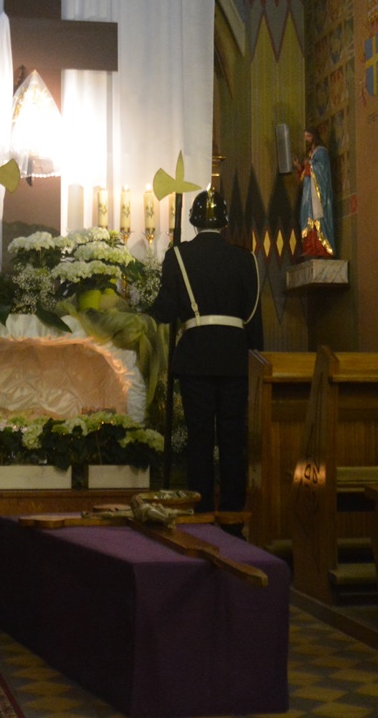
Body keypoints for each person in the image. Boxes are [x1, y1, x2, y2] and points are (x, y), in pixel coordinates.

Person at [149, 189, 263, 530]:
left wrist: (149, 310)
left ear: (194, 221)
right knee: (232, 438)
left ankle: (200, 515)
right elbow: (253, 317)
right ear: (224, 222)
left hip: (196, 356)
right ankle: (231, 517)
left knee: (199, 437)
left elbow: (166, 310)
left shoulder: (178, 256)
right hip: (234, 358)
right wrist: (254, 357)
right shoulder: (245, 259)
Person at [294, 127, 336, 259]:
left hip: (318, 194)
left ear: (314, 137)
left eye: (308, 136)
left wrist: (309, 165)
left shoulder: (321, 152)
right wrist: (299, 166)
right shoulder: (309, 155)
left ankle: (321, 248)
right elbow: (305, 175)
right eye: (305, 137)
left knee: (318, 218)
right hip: (308, 194)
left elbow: (322, 170)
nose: (306, 140)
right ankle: (310, 247)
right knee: (308, 219)